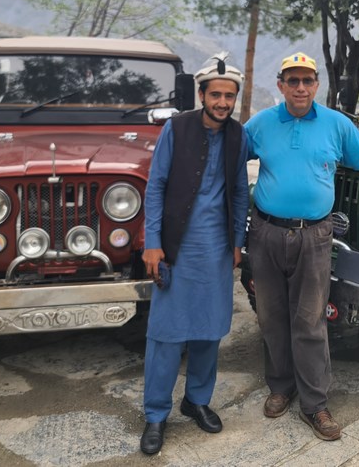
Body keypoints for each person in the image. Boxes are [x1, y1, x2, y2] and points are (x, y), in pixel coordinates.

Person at [244, 52, 359, 441]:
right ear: (280, 85)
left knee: (310, 319)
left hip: (314, 236)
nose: (300, 88)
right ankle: (281, 387)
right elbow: (227, 162)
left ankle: (315, 405)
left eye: (307, 81)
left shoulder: (336, 124)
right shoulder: (259, 125)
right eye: (292, 81)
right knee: (270, 316)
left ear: (317, 85)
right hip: (265, 234)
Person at [139, 57, 249, 455]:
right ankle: (155, 414)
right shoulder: (176, 128)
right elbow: (156, 186)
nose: (222, 102)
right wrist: (152, 242)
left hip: (217, 249)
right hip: (175, 247)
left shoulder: (238, 136)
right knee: (166, 334)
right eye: (215, 94)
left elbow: (239, 192)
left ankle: (197, 400)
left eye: (229, 96)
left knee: (210, 329)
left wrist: (237, 242)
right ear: (201, 94)